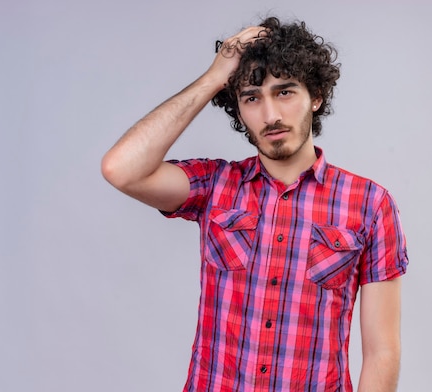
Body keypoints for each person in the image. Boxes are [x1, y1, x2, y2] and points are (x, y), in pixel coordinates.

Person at [102, 16, 408, 392]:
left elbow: (382, 352)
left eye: (285, 92)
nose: (271, 115)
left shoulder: (370, 204)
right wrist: (214, 77)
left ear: (316, 95)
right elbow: (121, 169)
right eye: (251, 98)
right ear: (238, 110)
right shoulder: (215, 186)